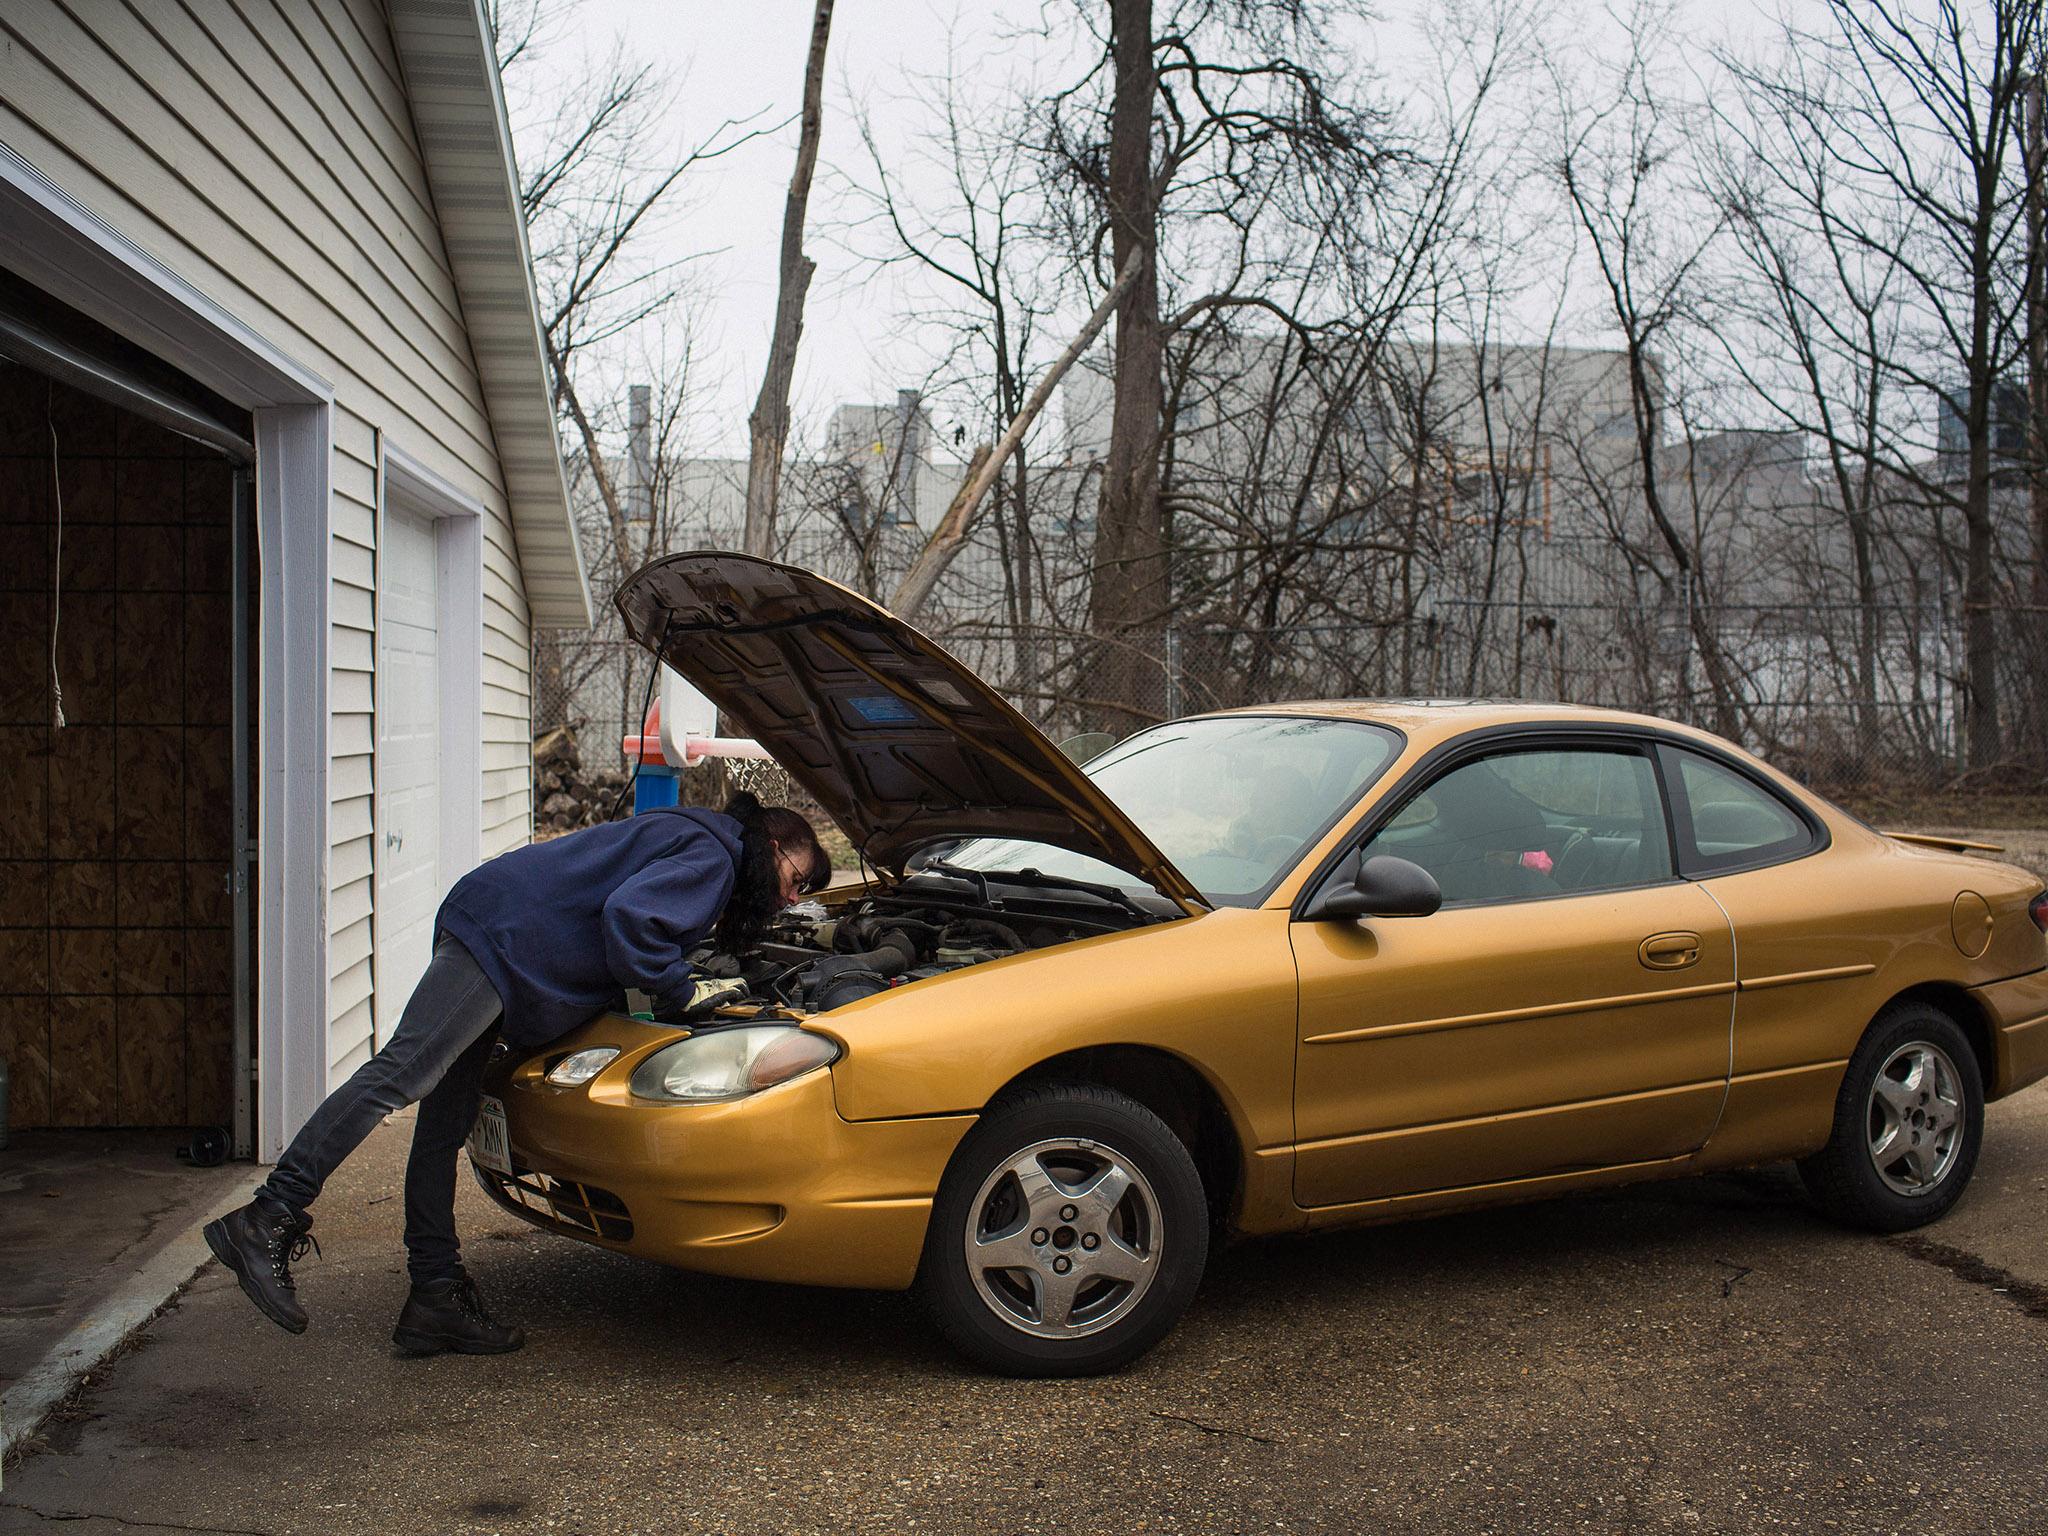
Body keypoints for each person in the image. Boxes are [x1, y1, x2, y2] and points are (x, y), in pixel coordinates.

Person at [203, 791, 829, 1356]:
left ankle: (434, 1297)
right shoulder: (717, 858)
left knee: (444, 1122)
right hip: (505, 940)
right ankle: (268, 1215)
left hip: (504, 928)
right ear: (771, 846)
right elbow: (632, 920)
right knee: (400, 1073)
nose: (790, 899)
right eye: (796, 880)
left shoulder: (699, 836)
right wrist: (680, 991)